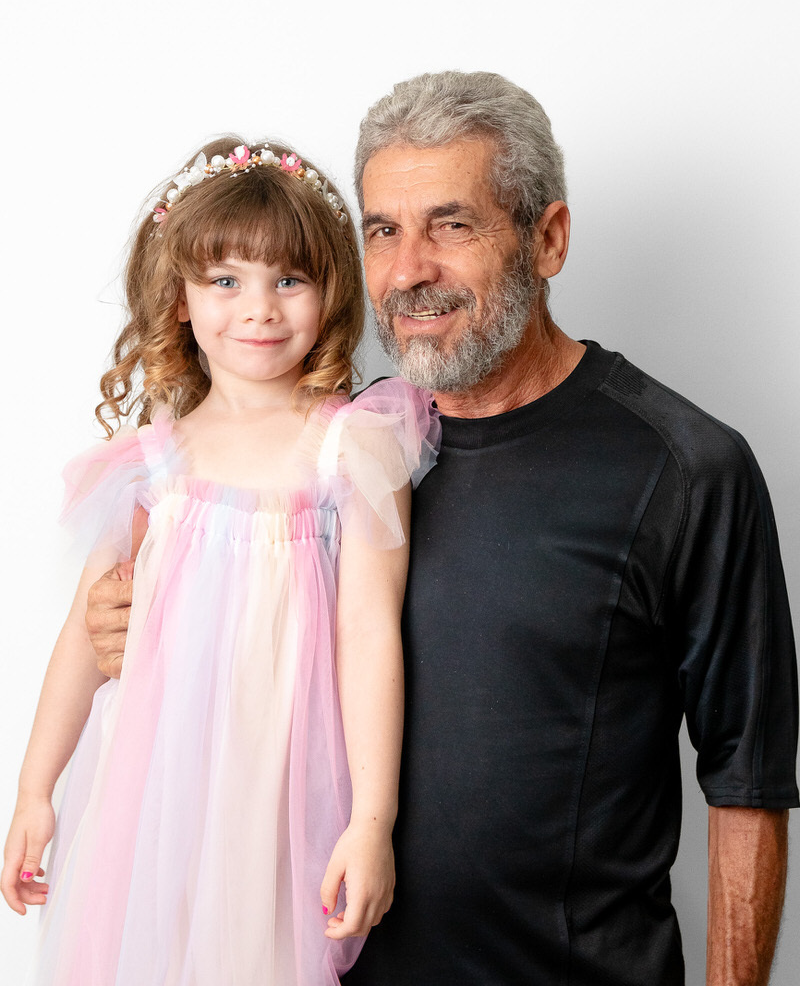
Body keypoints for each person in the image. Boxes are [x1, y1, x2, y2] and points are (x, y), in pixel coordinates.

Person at [84, 73, 798, 986]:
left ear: (549, 239)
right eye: (383, 231)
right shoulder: (336, 449)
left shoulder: (685, 469)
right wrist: (134, 623)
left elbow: (747, 780)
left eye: (451, 225)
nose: (408, 269)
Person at [0, 137, 439, 986]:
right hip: (155, 785)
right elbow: (85, 637)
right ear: (180, 298)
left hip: (282, 784)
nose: (259, 309)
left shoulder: (352, 448)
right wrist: (34, 789)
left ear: (329, 291)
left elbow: (369, 633)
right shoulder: (149, 464)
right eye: (226, 281)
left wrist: (372, 820)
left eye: (289, 279)